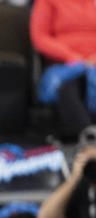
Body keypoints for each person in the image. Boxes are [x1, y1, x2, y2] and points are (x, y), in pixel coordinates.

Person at [31, 0, 96, 140]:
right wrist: (72, 57)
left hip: (94, 63)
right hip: (64, 64)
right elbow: (39, 37)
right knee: (68, 86)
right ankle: (87, 136)